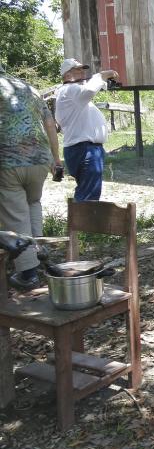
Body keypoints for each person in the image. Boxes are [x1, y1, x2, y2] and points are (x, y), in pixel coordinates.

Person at [0, 69, 63, 290]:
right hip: (40, 160)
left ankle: (28, 274)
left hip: (9, 161)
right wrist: (56, 159)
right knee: (33, 204)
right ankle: (39, 255)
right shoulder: (29, 88)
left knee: (15, 214)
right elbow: (49, 124)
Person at [55, 58, 122, 201]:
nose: (82, 73)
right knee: (88, 197)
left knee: (86, 193)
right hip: (85, 149)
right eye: (77, 70)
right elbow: (89, 90)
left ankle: (82, 221)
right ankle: (84, 223)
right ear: (66, 75)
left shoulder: (68, 93)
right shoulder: (70, 89)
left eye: (82, 69)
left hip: (83, 148)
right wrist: (101, 76)